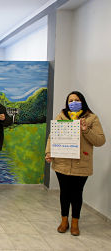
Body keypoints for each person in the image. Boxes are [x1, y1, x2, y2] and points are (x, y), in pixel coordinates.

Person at [45, 91, 105, 236]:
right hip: (62, 163)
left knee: (77, 194)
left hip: (81, 164)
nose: (73, 103)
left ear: (82, 101)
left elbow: (100, 141)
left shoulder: (91, 118)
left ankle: (75, 222)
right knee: (64, 193)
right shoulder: (61, 117)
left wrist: (85, 130)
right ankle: (64, 220)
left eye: (76, 100)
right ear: (67, 103)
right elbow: (52, 136)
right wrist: (48, 152)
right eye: (70, 100)